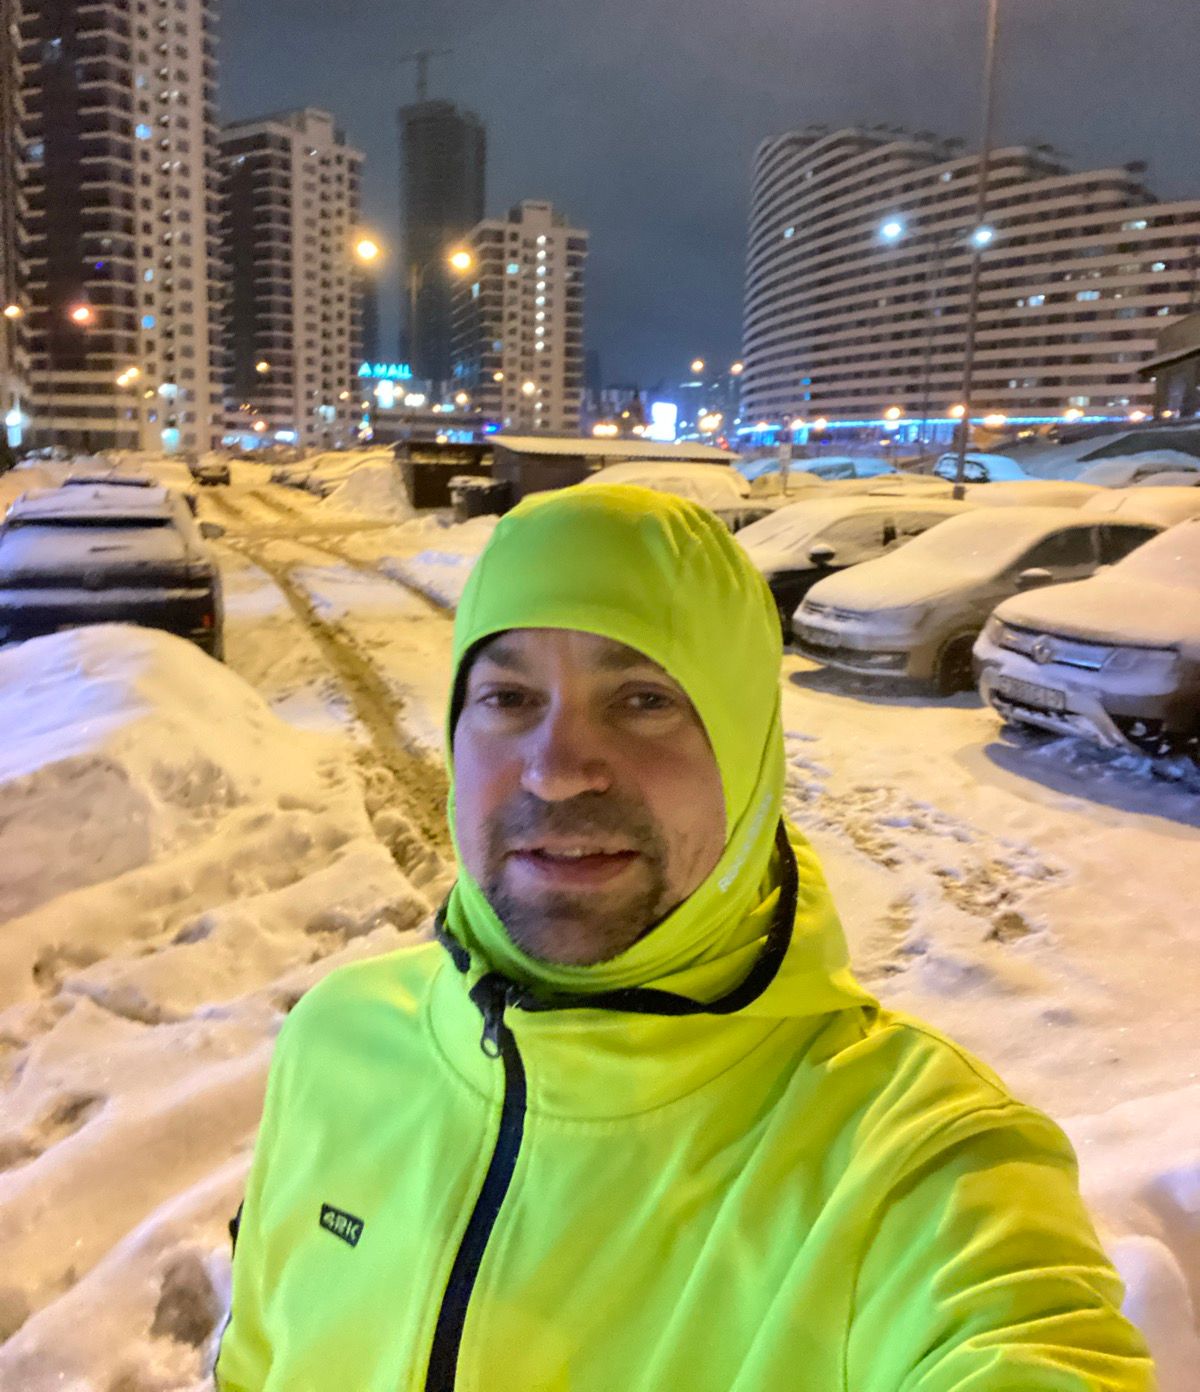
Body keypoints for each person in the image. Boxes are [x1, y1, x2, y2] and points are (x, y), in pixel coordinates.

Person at [215, 483, 1154, 1392]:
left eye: (643, 700)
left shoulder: (910, 1167)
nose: (557, 772)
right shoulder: (336, 1042)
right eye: (508, 698)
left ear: (748, 750)